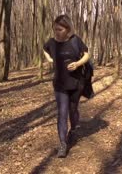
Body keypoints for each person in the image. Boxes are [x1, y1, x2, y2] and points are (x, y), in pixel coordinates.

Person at [43, 14, 91, 158]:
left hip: (76, 83)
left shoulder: (75, 40)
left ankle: (74, 130)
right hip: (60, 85)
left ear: (67, 29)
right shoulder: (51, 43)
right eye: (55, 29)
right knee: (62, 113)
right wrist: (50, 59)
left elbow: (87, 54)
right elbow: (45, 49)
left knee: (73, 109)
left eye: (60, 29)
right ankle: (63, 144)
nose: (57, 32)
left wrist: (77, 64)